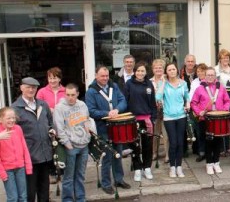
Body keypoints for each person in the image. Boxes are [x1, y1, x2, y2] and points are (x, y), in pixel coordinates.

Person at [85, 66, 130, 195]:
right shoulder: (91, 92)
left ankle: (119, 179)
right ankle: (106, 183)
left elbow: (123, 101)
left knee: (118, 153)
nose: (105, 78)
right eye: (102, 76)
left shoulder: (113, 86)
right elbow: (91, 110)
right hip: (103, 127)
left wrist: (117, 110)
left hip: (117, 125)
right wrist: (107, 113)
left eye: (106, 76)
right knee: (107, 156)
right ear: (96, 76)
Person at [12, 77, 54, 202]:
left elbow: (50, 124)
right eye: (28, 87)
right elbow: (14, 134)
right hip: (29, 156)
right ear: (21, 88)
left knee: (44, 191)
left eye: (34, 87)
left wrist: (52, 131)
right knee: (30, 192)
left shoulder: (43, 104)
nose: (31, 90)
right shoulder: (15, 108)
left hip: (45, 155)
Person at [53, 84, 92, 201]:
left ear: (78, 94)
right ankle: (68, 199)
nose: (70, 97)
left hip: (84, 145)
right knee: (68, 177)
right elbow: (59, 128)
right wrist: (67, 144)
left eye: (73, 95)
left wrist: (88, 134)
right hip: (71, 146)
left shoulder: (82, 105)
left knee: (80, 175)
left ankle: (80, 198)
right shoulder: (59, 108)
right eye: (68, 95)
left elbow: (86, 120)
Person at [190, 68, 230, 175]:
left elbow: (227, 101)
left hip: (218, 118)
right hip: (205, 119)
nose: (210, 77)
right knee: (208, 142)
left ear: (215, 76)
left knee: (217, 141)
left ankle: (216, 163)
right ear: (205, 76)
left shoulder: (221, 88)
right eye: (208, 75)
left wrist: (225, 111)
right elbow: (193, 103)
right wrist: (199, 112)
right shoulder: (200, 88)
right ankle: (209, 164)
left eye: (212, 75)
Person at [125, 63, 157, 181]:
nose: (140, 73)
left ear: (146, 72)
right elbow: (126, 101)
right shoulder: (129, 84)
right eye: (138, 71)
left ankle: (147, 167)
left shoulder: (149, 84)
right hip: (134, 120)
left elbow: (152, 102)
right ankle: (137, 169)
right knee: (135, 146)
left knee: (147, 145)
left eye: (142, 71)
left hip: (147, 120)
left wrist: (153, 117)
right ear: (134, 71)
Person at [156, 63, 189, 178]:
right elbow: (158, 97)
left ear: (177, 70)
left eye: (173, 69)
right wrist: (164, 82)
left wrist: (187, 105)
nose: (172, 71)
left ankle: (179, 167)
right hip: (169, 117)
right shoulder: (162, 84)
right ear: (166, 72)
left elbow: (187, 97)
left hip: (181, 116)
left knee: (180, 143)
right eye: (169, 70)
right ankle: (172, 167)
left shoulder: (183, 83)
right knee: (173, 142)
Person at [0, 107, 31, 202]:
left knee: (23, 196)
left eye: (13, 118)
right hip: (7, 170)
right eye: (8, 118)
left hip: (20, 168)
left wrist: (28, 166)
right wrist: (2, 173)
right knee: (13, 198)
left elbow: (24, 148)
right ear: (0, 119)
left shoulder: (18, 129)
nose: (12, 120)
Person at [35, 67, 65, 184]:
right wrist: (48, 110)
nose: (52, 81)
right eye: (50, 78)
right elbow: (37, 107)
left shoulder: (65, 91)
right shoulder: (42, 92)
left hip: (62, 123)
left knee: (61, 146)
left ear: (59, 78)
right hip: (48, 123)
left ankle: (62, 171)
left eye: (55, 78)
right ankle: (52, 172)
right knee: (50, 147)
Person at [215, 49, 230, 156]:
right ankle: (221, 148)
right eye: (223, 58)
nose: (225, 60)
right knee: (220, 123)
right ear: (220, 59)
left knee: (228, 124)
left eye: (227, 58)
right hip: (220, 100)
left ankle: (227, 147)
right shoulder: (216, 70)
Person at [150, 59, 169, 163]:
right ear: (153, 69)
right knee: (155, 133)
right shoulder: (149, 81)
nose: (158, 69)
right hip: (154, 110)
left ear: (163, 69)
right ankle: (154, 153)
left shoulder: (167, 80)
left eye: (160, 67)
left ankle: (167, 154)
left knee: (166, 133)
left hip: (166, 110)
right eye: (156, 67)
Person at [189, 63, 209, 162]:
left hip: (209, 112)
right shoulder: (194, 82)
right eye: (198, 71)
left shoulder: (211, 81)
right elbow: (191, 96)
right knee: (199, 133)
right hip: (198, 111)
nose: (200, 73)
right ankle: (202, 153)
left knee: (209, 133)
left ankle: (210, 152)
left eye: (202, 71)